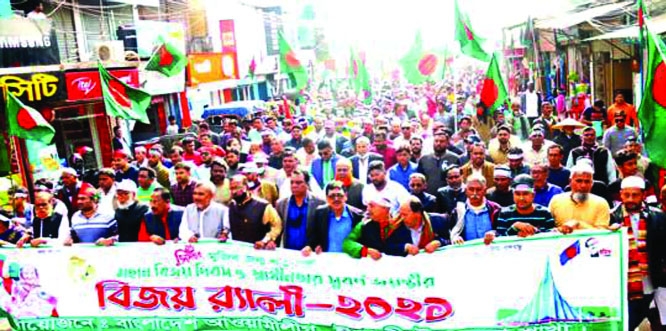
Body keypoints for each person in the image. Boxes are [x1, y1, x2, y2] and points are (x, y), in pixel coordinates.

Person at [608, 176, 666, 330]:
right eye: (627, 195)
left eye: (635, 195)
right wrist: (609, 233)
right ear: (621, 195)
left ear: (643, 195)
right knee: (629, 322)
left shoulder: (658, 216)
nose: (631, 199)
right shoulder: (611, 218)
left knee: (660, 321)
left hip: (654, 279)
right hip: (628, 283)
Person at [302, 181, 365, 255]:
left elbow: (362, 241)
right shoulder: (320, 213)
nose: (336, 199)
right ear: (326, 198)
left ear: (345, 196)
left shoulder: (357, 215)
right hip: (327, 261)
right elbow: (314, 237)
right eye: (332, 196)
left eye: (339, 195)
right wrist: (310, 247)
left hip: (351, 262)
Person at [549, 163, 610, 233]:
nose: (583, 185)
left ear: (592, 184)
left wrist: (578, 224)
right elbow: (548, 229)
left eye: (587, 182)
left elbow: (603, 234)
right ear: (570, 182)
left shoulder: (601, 203)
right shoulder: (556, 201)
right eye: (579, 181)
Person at [492, 174, 555, 239]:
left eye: (525, 194)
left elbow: (551, 237)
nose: (521, 198)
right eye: (517, 194)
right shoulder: (505, 213)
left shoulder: (544, 213)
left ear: (533, 195)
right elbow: (500, 240)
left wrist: (532, 231)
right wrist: (514, 227)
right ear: (513, 195)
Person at [276, 170, 326, 250]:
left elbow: (323, 230)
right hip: (288, 252)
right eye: (292, 182)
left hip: (310, 253)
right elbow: (277, 228)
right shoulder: (281, 204)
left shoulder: (319, 203)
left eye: (298, 183)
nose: (294, 186)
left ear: (307, 184)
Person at [228, 175, 282, 249]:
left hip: (258, 252)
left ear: (246, 187)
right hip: (238, 250)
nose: (234, 192)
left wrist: (265, 240)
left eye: (237, 188)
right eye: (231, 188)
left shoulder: (263, 206)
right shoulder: (231, 205)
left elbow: (277, 226)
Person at [385, 196, 452, 256]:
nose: (402, 218)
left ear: (417, 213)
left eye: (405, 215)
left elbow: (449, 240)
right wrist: (405, 247)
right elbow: (387, 247)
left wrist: (438, 243)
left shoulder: (438, 221)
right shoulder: (397, 224)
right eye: (401, 214)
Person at [449, 174, 501, 244]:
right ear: (466, 191)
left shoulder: (495, 209)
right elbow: (450, 232)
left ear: (485, 190)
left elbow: (502, 231)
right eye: (471, 189)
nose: (474, 193)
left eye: (478, 190)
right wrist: (456, 237)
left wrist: (494, 233)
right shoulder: (458, 211)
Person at [417, 130, 461, 196]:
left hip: (449, 198)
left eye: (441, 141)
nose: (438, 143)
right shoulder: (424, 159)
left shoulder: (454, 158)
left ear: (447, 143)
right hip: (429, 198)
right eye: (436, 141)